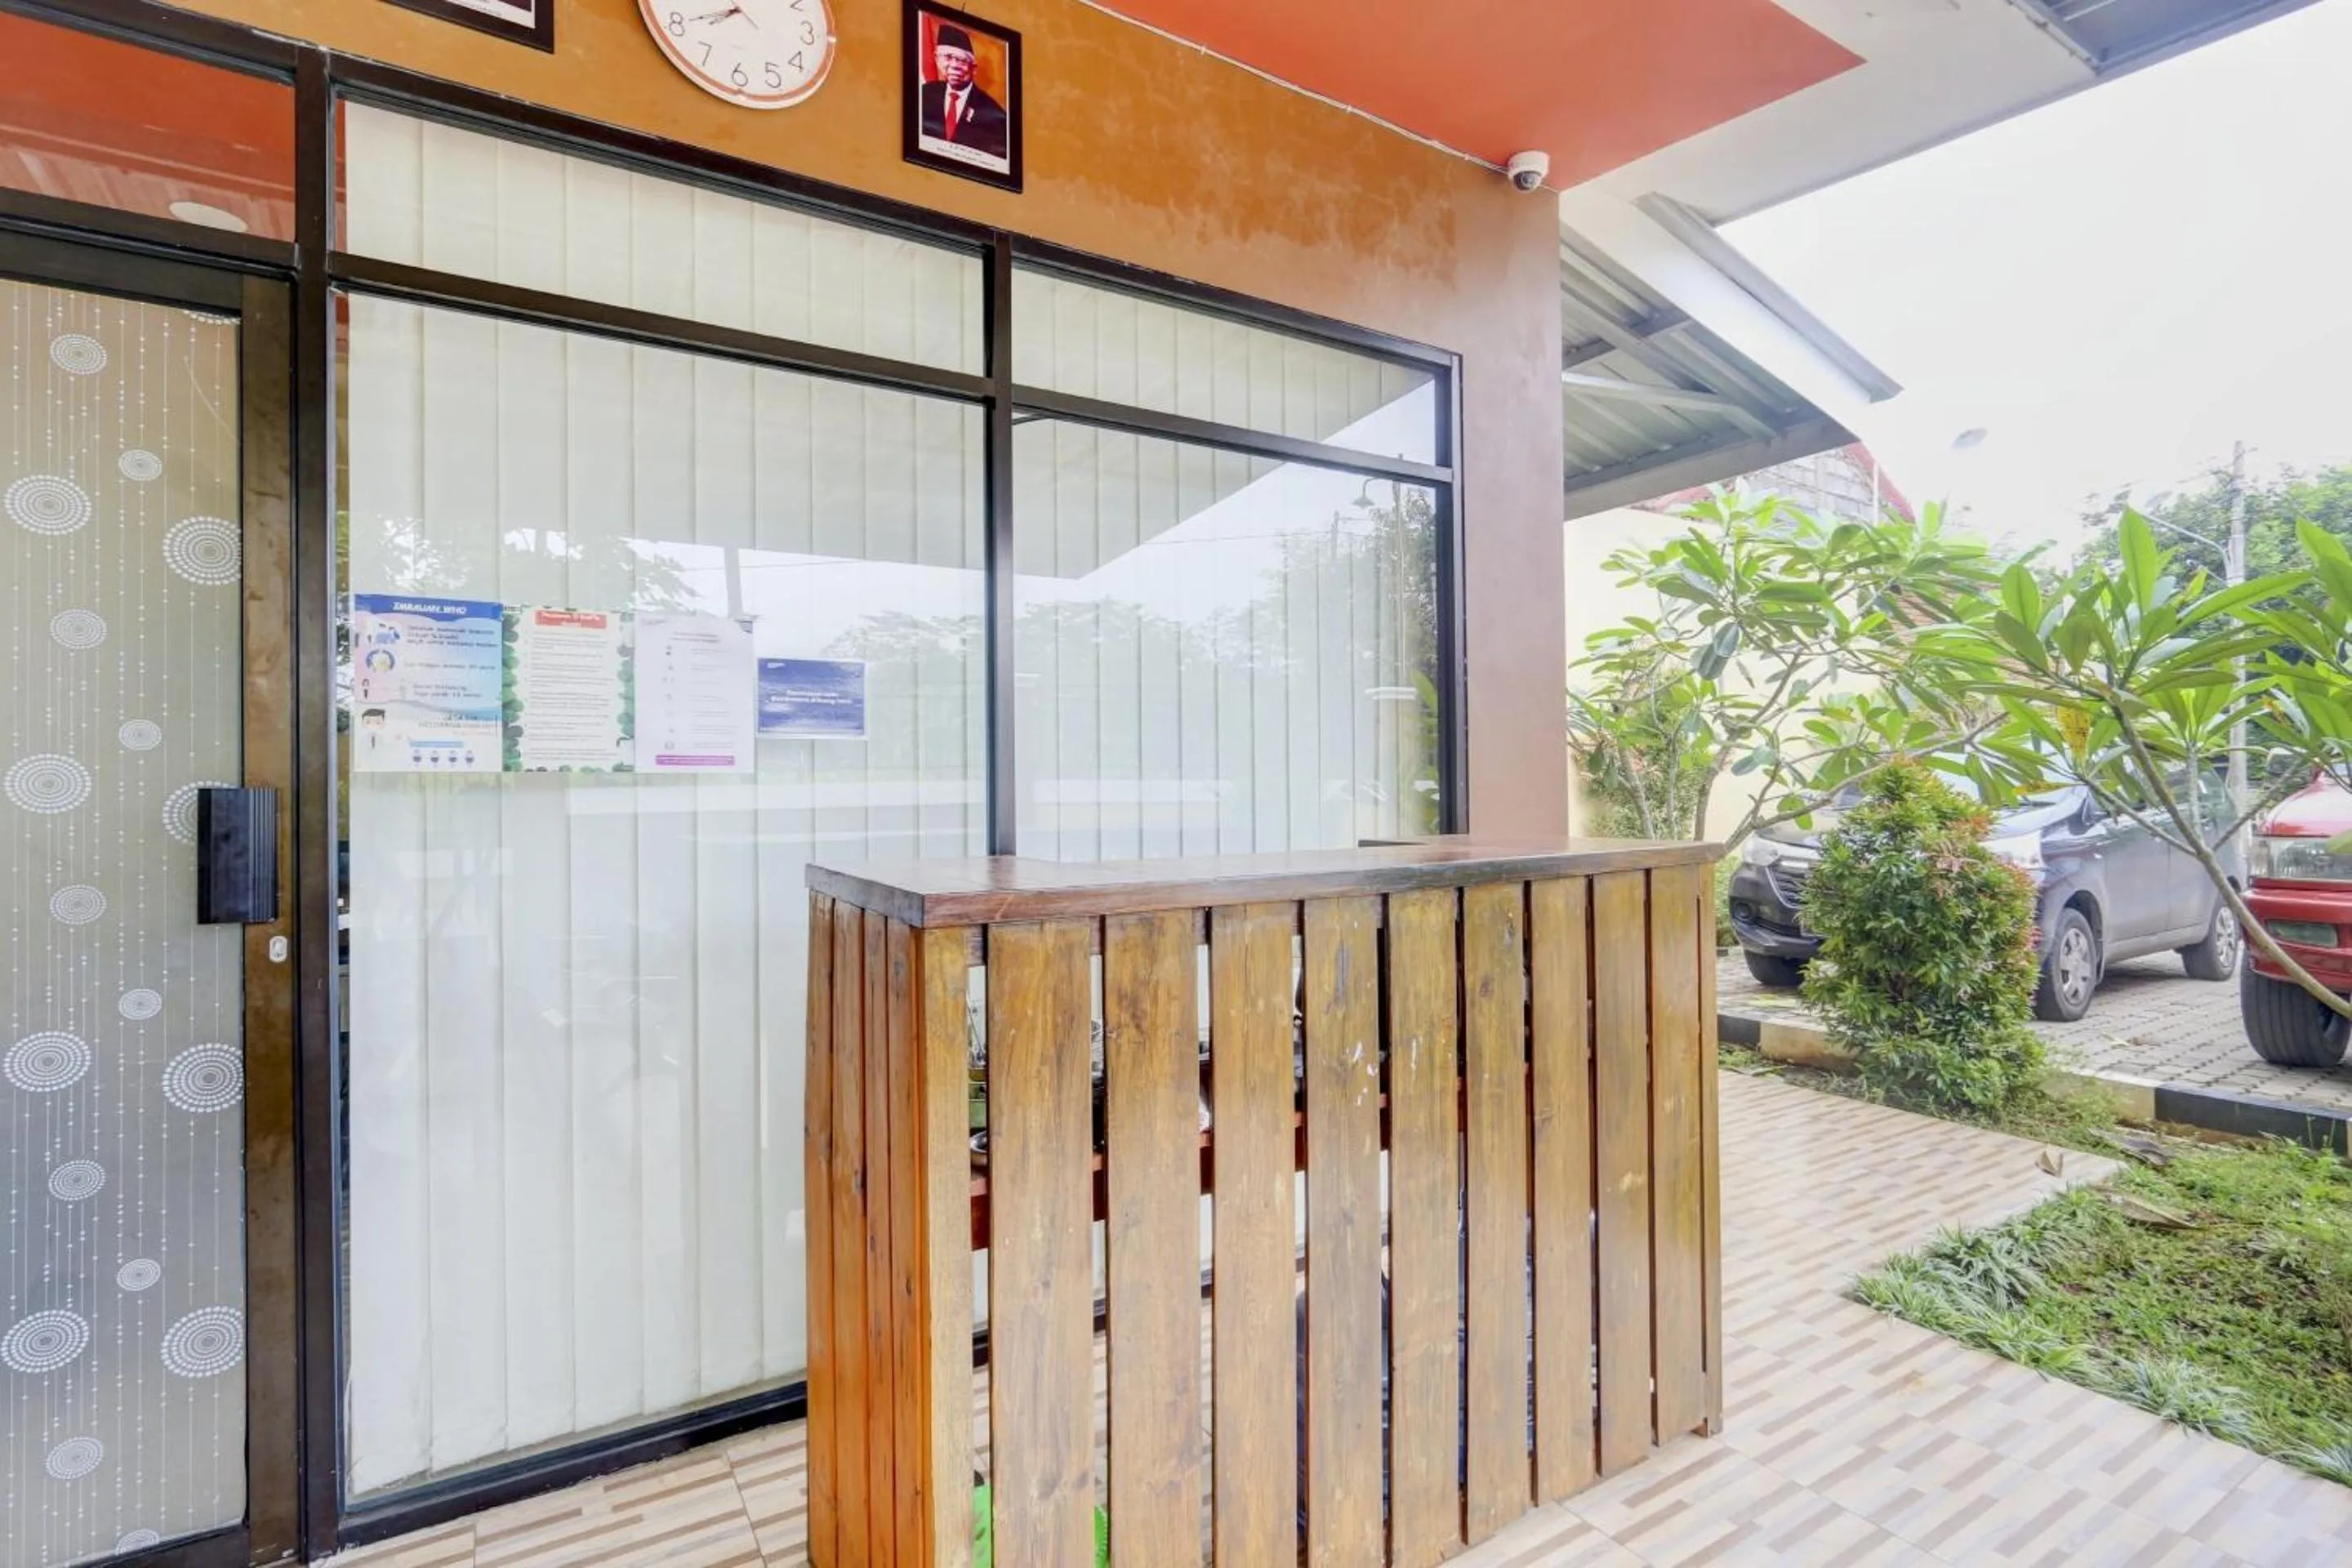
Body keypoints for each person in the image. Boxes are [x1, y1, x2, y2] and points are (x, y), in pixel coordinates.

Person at [919, 23, 1008, 161]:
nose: (954, 66)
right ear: (937, 59)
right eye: (947, 57)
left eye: (961, 60)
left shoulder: (995, 116)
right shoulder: (924, 94)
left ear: (974, 69)